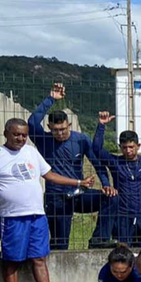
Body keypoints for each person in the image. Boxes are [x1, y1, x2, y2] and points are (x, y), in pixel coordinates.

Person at [0, 118, 92, 282]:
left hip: (37, 216)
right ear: (6, 133)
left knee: (39, 258)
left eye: (24, 135)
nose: (20, 138)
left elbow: (50, 175)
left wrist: (78, 181)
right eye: (16, 134)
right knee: (12, 260)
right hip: (12, 218)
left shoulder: (32, 152)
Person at [29, 83, 115, 250]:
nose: (59, 133)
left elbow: (97, 163)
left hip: (78, 193)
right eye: (55, 130)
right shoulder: (44, 140)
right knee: (60, 245)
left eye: (62, 129)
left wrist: (105, 184)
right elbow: (32, 122)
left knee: (111, 198)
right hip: (56, 197)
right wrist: (51, 99)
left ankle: (99, 240)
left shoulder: (80, 139)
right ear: (49, 128)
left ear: (69, 125)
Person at [92, 111, 141, 247]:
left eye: (131, 147)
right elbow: (96, 149)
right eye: (124, 148)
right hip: (123, 217)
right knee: (124, 255)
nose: (128, 151)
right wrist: (101, 125)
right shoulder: (115, 162)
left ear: (138, 146)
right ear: (120, 147)